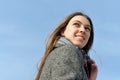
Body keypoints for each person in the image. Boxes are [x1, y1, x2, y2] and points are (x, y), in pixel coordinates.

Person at [36, 12, 98, 80]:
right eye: (76, 24)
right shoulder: (68, 50)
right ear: (63, 31)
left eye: (87, 28)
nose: (83, 30)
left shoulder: (65, 53)